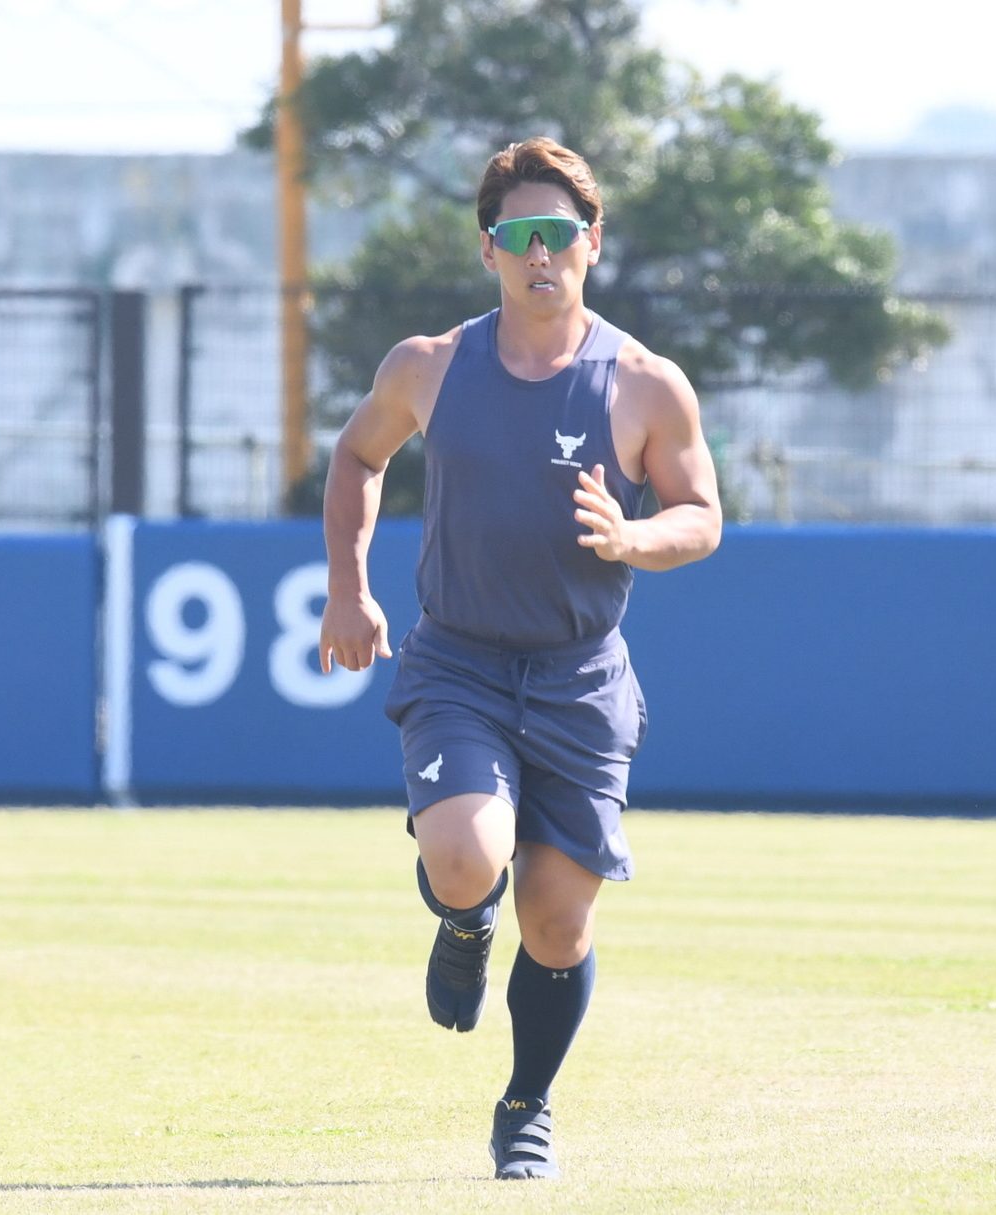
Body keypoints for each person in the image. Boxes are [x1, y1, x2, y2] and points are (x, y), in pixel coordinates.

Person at [317, 136, 723, 1181]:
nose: (538, 255)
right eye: (516, 237)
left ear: (590, 244)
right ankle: (461, 923)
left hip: (581, 679)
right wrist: (349, 588)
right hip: (458, 661)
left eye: (557, 235)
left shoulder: (642, 383)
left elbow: (699, 516)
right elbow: (358, 455)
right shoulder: (430, 364)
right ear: (489, 250)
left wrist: (634, 539)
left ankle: (525, 1107)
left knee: (556, 923)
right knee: (465, 856)